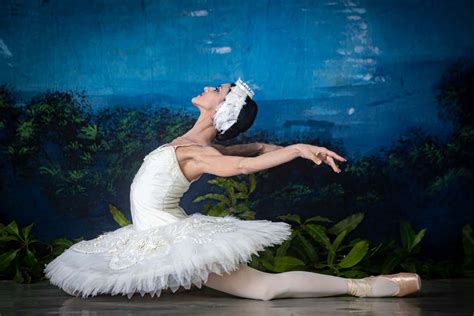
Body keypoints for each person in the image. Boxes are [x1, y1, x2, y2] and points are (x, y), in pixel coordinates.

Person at [44, 78, 421, 300]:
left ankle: (365, 287)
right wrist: (300, 150)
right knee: (262, 289)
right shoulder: (194, 144)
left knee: (263, 290)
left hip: (173, 237)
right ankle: (365, 287)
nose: (208, 86)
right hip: (155, 234)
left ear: (221, 109)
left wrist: (295, 150)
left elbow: (239, 165)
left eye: (217, 89)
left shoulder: (199, 153)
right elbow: (250, 150)